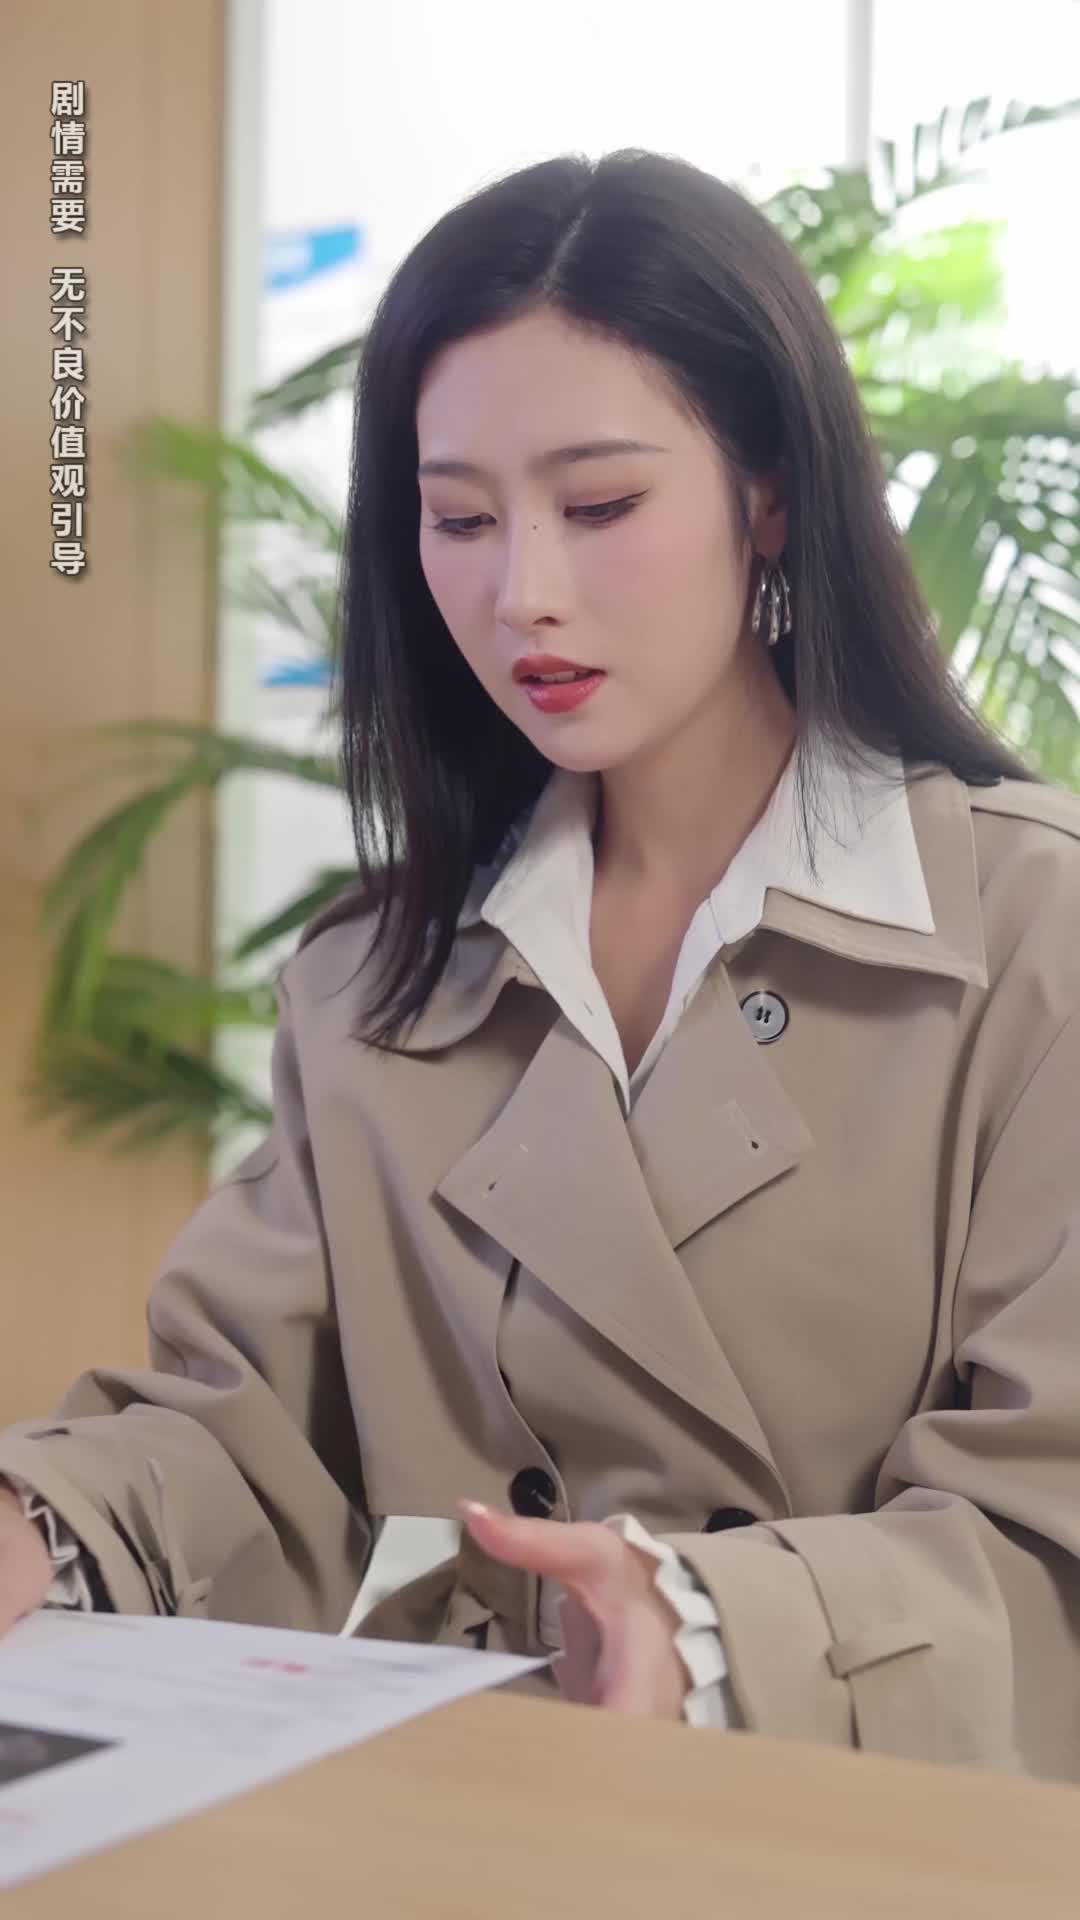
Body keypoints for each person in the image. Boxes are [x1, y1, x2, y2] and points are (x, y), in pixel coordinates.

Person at [2, 147, 1079, 1779]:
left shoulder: (1031, 934)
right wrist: (41, 1522)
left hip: (864, 1845)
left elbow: (1050, 1532)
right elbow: (245, 1439)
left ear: (769, 494)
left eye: (600, 507)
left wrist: (702, 1625)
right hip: (472, 1827)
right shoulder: (375, 983)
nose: (525, 594)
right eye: (458, 519)